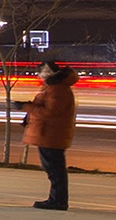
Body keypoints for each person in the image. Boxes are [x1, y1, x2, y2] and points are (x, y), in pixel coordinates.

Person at [20, 59, 78, 209]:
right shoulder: (54, 88)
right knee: (53, 168)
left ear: (49, 73)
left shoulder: (56, 89)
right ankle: (56, 199)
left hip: (51, 133)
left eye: (42, 71)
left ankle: (58, 200)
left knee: (54, 169)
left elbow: (50, 112)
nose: (39, 74)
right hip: (49, 132)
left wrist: (26, 107)